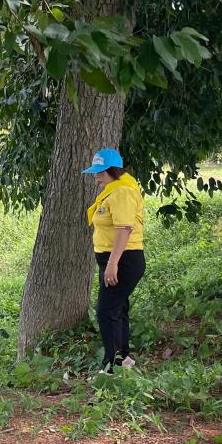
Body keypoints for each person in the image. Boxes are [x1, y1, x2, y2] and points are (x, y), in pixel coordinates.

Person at [83, 148, 145, 372]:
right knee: (117, 309)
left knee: (106, 312)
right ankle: (123, 359)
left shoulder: (121, 193)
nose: (96, 177)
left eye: (100, 172)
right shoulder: (114, 190)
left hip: (123, 260)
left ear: (112, 170)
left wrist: (112, 264)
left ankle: (110, 366)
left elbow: (124, 229)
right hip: (115, 260)